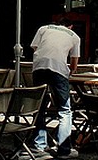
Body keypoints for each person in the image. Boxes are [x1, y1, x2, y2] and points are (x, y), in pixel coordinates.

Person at [30, 14, 81, 159]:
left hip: (39, 67)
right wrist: (71, 71)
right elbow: (74, 61)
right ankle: (64, 149)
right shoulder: (74, 36)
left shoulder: (44, 28)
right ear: (70, 26)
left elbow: (35, 48)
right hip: (58, 69)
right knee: (64, 110)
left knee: (40, 107)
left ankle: (39, 146)